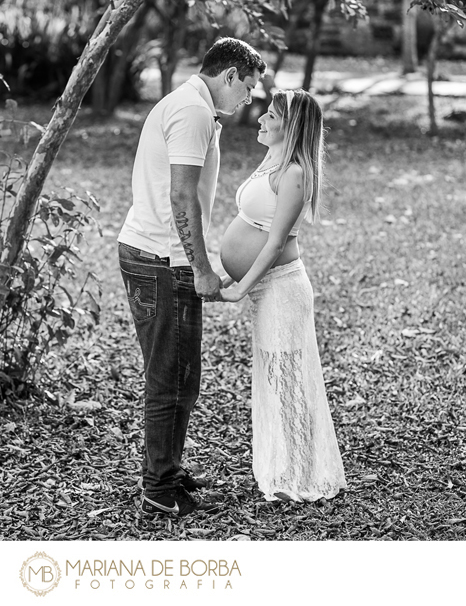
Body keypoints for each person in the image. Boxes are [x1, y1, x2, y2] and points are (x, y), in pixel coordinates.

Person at [118, 38, 266, 517]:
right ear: (228, 75)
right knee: (170, 377)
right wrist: (200, 268)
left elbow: (185, 194)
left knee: (182, 374)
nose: (247, 99)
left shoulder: (192, 106)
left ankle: (169, 467)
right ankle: (159, 488)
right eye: (246, 88)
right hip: (161, 259)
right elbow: (182, 197)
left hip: (157, 252)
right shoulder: (193, 112)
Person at [219, 89, 347, 503]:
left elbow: (274, 243)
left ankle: (301, 472)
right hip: (267, 290)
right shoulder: (272, 160)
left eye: (270, 116)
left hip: (282, 289)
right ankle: (287, 465)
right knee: (276, 377)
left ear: (289, 126)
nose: (260, 120)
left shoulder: (294, 172)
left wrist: (242, 286)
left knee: (288, 379)